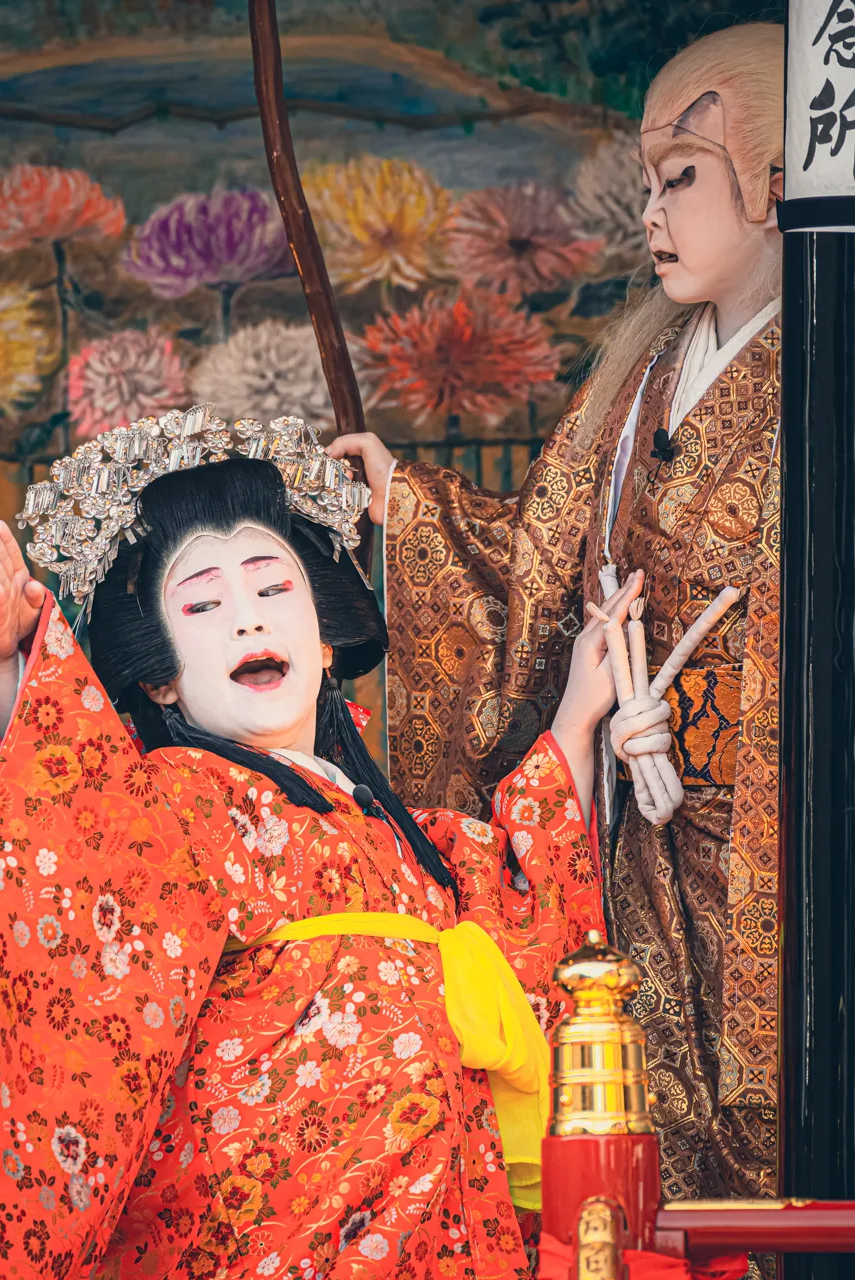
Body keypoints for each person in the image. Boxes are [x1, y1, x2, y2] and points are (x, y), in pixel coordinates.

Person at [0, 414, 661, 1280]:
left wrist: (579, 716)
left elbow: (518, 901)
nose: (246, 621)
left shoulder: (402, 836)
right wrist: (12, 671)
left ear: (326, 641)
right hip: (264, 1229)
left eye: (272, 589)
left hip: (439, 1218)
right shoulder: (169, 805)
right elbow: (53, 854)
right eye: (203, 605)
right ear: (161, 675)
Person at [328, 22, 783, 1204]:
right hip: (636, 828)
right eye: (649, 183)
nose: (653, 213)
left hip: (768, 841)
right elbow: (541, 565)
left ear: (778, 178)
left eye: (681, 178)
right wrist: (409, 504)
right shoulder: (638, 375)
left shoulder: (819, 376)